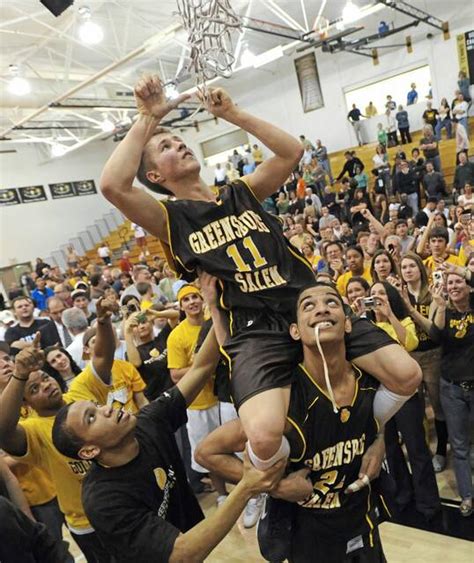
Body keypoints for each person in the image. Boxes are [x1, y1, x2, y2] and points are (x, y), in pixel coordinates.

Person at [100, 74, 421, 478]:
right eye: (166, 147)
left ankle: (364, 429)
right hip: (253, 327)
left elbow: (291, 151)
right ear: (156, 178)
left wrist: (232, 114)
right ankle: (283, 481)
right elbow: (112, 185)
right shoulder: (169, 218)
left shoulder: (241, 191)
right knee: (265, 436)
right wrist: (148, 118)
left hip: (306, 303)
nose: (179, 144)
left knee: (407, 375)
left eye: (180, 140)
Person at [196, 283, 403, 563]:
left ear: (348, 324)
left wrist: (378, 442)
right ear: (295, 330)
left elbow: (376, 417)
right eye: (308, 305)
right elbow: (206, 452)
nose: (321, 309)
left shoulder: (367, 378)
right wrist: (275, 486)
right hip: (307, 537)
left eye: (332, 303)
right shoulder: (283, 399)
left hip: (361, 523)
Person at [51, 322, 284, 562]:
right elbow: (181, 555)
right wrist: (246, 487)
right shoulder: (104, 500)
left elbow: (201, 368)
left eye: (97, 406)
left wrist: (218, 308)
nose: (107, 409)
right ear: (89, 451)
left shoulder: (147, 422)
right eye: (92, 417)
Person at [0, 298, 127, 562]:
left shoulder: (77, 393)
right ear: (26, 403)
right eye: (33, 389)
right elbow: (2, 431)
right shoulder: (32, 430)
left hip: (127, 497)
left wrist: (102, 321)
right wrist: (20, 374)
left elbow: (102, 356)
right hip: (88, 519)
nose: (45, 385)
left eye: (45, 378)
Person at [369, 281, 441, 518]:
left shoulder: (402, 321)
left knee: (417, 447)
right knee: (390, 448)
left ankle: (428, 502)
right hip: (379, 396)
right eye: (373, 294)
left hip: (406, 394)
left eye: (381, 293)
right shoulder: (365, 325)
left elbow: (411, 342)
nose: (377, 297)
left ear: (390, 297)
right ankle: (402, 494)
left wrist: (389, 314)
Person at [418, 272, 473, 517]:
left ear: (468, 286)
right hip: (451, 387)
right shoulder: (445, 311)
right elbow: (436, 336)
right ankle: (467, 496)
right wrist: (439, 307)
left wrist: (461, 270)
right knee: (459, 445)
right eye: (449, 283)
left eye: (458, 281)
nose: (453, 286)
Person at [399, 253, 447, 472]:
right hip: (410, 356)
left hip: (433, 355)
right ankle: (424, 449)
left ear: (420, 269)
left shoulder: (432, 293)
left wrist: (410, 311)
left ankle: (441, 452)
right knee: (415, 409)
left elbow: (434, 332)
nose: (408, 270)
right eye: (404, 267)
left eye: (412, 266)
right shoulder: (400, 295)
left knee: (438, 406)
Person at [123, 307, 179, 400]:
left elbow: (176, 315)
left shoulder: (162, 338)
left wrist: (157, 314)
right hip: (156, 401)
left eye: (144, 322)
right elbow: (136, 363)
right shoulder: (132, 352)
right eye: (135, 325)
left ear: (151, 323)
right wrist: (127, 333)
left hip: (176, 392)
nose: (141, 326)